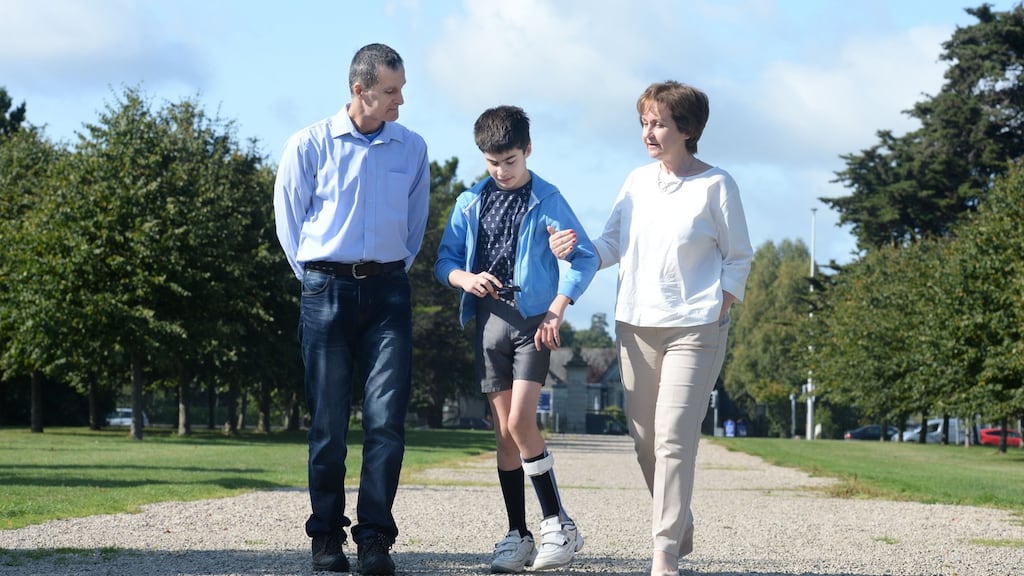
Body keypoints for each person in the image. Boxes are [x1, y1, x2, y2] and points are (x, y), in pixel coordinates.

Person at [549, 81, 752, 576]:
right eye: (644, 122)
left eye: (659, 122)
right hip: (635, 326)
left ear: (688, 129)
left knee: (674, 439)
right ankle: (679, 523)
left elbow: (738, 256)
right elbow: (610, 245)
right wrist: (572, 250)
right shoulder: (636, 182)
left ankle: (663, 553)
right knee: (643, 440)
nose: (649, 132)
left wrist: (721, 305)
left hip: (696, 327)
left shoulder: (717, 185)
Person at [273, 43, 429, 576]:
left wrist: (384, 272)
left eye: (400, 89)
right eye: (390, 91)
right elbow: (289, 223)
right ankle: (326, 540)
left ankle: (375, 542)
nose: (400, 101)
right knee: (329, 425)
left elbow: (413, 228)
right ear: (359, 90)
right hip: (325, 291)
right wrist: (319, 278)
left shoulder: (412, 148)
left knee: (386, 423)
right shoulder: (308, 144)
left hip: (388, 292)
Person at [435, 105, 597, 573]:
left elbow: (584, 258)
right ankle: (518, 534)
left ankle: (557, 524)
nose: (502, 171)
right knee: (503, 435)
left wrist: (557, 307)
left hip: (533, 324)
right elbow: (443, 262)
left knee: (523, 421)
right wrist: (465, 279)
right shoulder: (469, 201)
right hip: (489, 324)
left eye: (509, 160)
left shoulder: (549, 199)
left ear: (527, 150)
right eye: (492, 162)